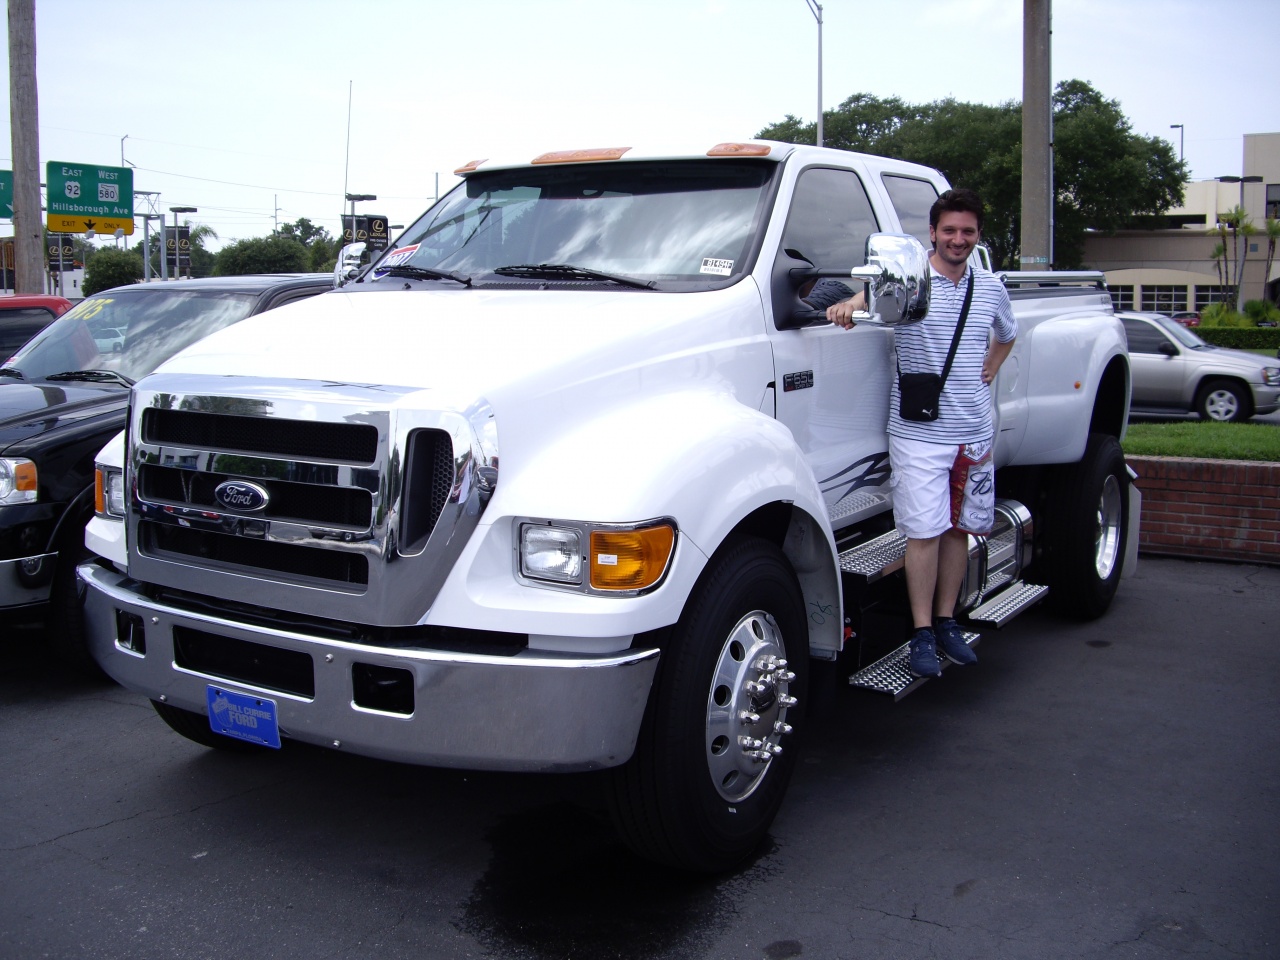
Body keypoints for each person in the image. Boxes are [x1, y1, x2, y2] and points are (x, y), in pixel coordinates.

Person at [826, 188, 1017, 678]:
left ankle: (947, 619)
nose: (958, 239)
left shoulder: (991, 287)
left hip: (974, 433)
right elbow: (864, 297)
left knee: (959, 530)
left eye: (967, 231)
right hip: (919, 434)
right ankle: (921, 633)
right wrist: (847, 305)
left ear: (977, 235)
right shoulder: (909, 281)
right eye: (949, 230)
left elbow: (1007, 333)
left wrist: (988, 372)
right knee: (925, 532)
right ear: (932, 232)